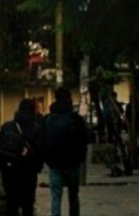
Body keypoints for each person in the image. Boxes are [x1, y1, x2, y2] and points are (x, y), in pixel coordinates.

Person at [43, 86, 89, 216]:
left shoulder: (48, 119)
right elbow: (84, 140)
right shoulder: (76, 119)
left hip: (54, 164)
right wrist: (80, 158)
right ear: (69, 99)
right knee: (73, 195)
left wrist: (47, 160)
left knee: (56, 195)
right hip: (72, 163)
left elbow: (43, 141)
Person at [0, 98, 45, 216]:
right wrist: (37, 168)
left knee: (11, 203)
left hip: (9, 172)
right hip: (29, 173)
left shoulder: (7, 127)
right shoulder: (37, 129)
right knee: (28, 205)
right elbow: (40, 152)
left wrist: (3, 167)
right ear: (33, 111)